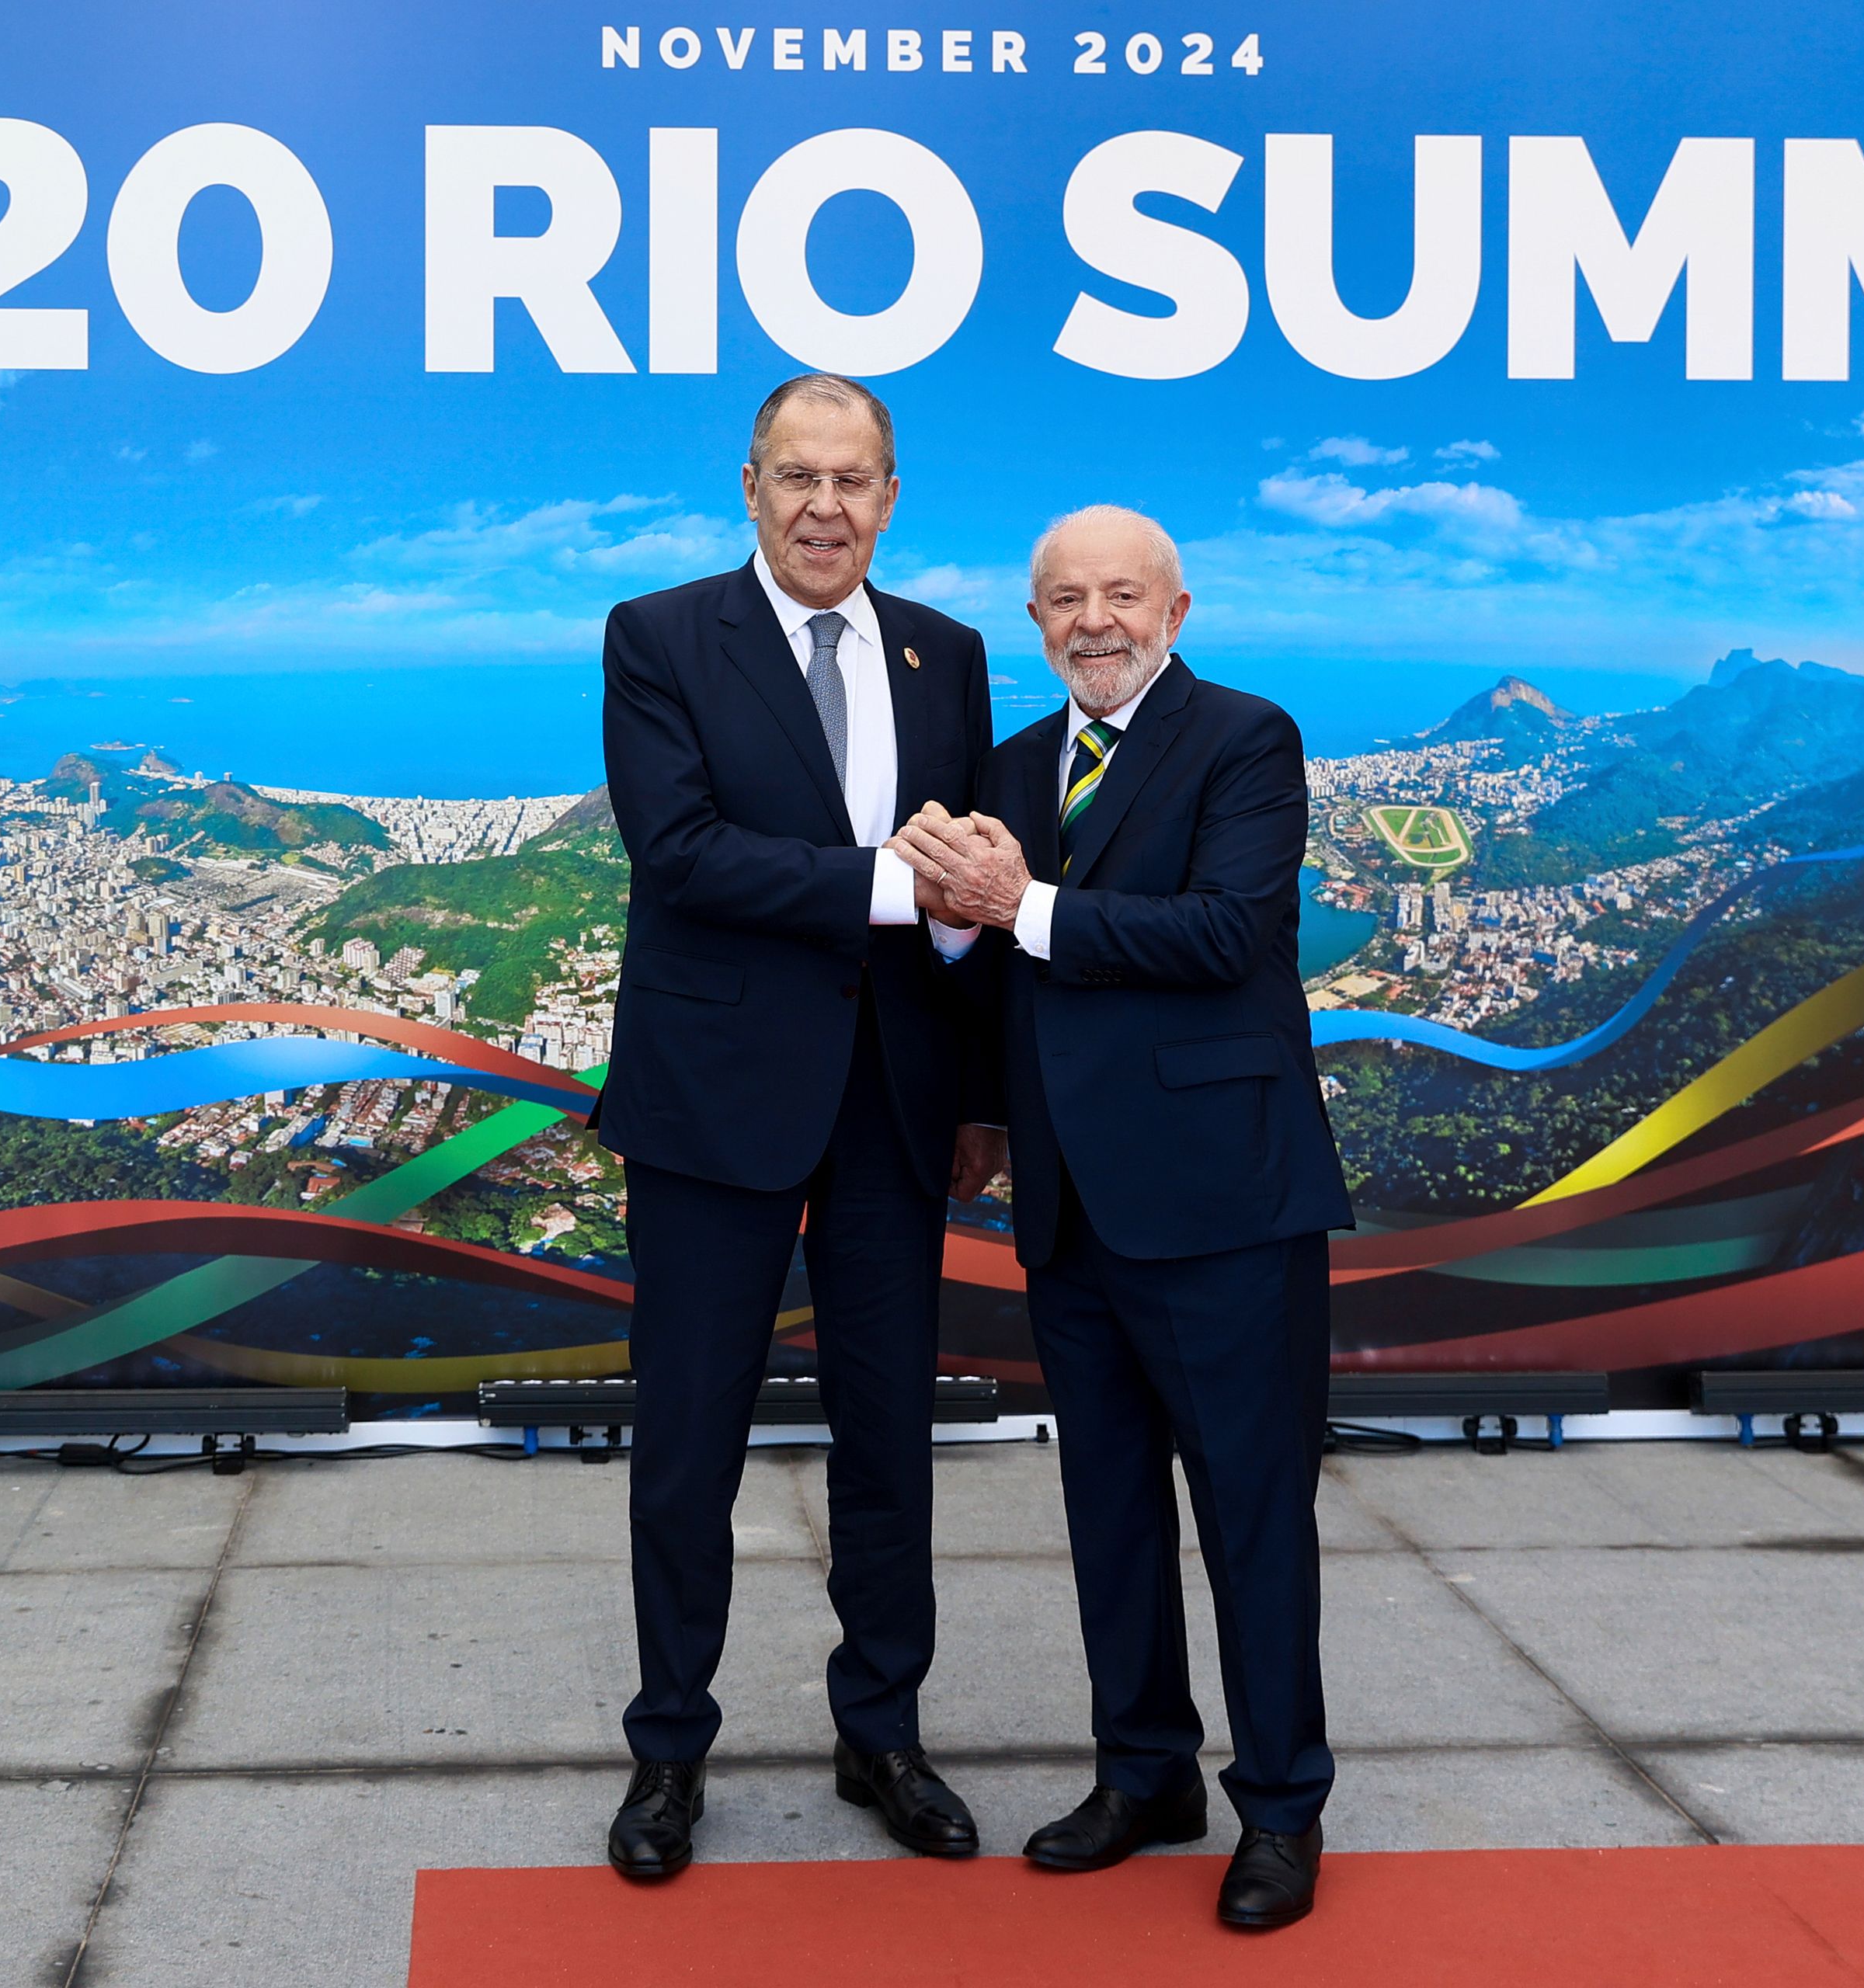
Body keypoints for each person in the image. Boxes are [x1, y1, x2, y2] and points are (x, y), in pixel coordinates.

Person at [890, 505, 1353, 1931]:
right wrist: (957, 923)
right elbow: (993, 972)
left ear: (1177, 610)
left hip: (1222, 1203)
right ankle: (1144, 1769)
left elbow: (1227, 936)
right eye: (1064, 601)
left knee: (1252, 1513)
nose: (1093, 621)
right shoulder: (1014, 767)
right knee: (1110, 1514)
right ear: (1035, 624)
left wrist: (1015, 903)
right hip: (1072, 1206)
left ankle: (1280, 1806)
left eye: (1121, 596)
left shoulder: (1246, 740)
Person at [593, 373, 1007, 1880]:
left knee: (891, 1434)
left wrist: (974, 1092)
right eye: (798, 476)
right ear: (750, 488)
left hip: (894, 1105)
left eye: (855, 478)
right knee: (689, 1440)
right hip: (714, 1106)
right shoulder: (657, 638)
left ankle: (881, 1729)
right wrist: (904, 888)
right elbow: (682, 851)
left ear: (891, 497)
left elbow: (966, 884)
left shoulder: (946, 654)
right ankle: (667, 1751)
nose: (826, 504)